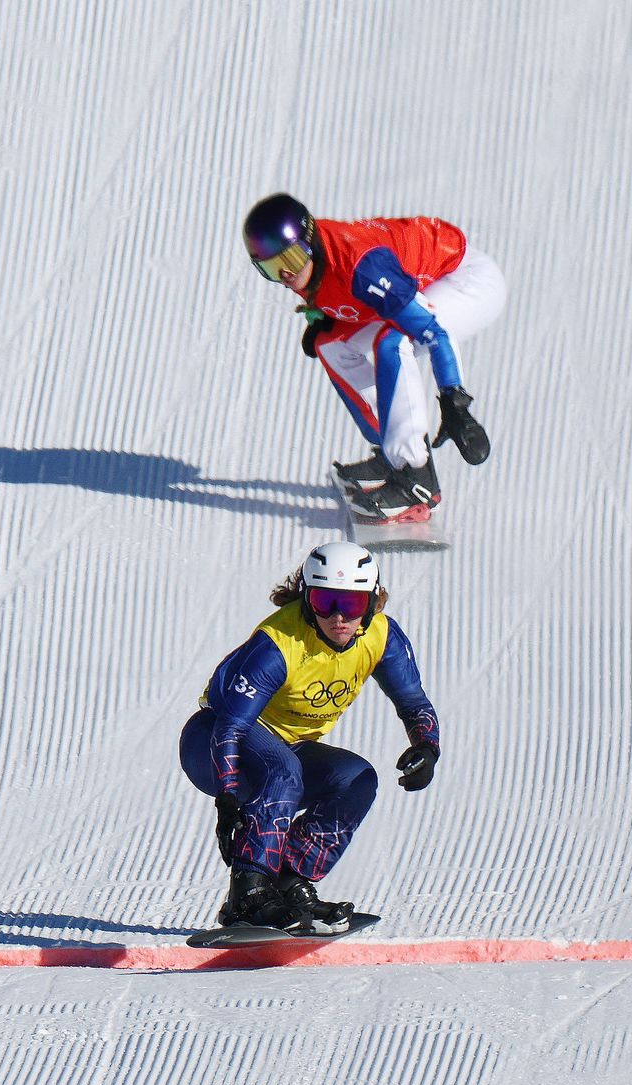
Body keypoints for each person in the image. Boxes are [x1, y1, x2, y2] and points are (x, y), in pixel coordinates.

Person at [177, 541, 441, 932]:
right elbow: (230, 727)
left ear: (371, 603)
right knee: (282, 770)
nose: (337, 617)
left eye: (350, 604)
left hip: (285, 748)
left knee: (357, 779)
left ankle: (286, 879)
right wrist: (228, 798)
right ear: (306, 601)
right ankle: (248, 894)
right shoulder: (280, 644)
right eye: (323, 601)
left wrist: (426, 747)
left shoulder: (382, 637)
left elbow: (414, 702)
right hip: (213, 741)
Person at [242, 193, 507, 523]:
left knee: (392, 341)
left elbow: (433, 332)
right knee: (332, 345)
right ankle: (399, 451)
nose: (285, 275)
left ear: (309, 241)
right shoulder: (313, 261)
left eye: (292, 260)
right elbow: (332, 291)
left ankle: (416, 480)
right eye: (270, 268)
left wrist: (454, 401)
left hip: (466, 279)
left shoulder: (360, 268)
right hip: (416, 283)